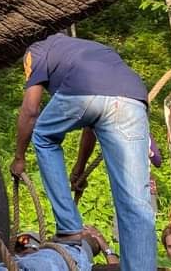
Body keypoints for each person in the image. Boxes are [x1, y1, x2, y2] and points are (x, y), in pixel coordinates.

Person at [10, 34, 156, 271]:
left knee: (44, 136)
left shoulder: (35, 50)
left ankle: (69, 227)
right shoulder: (87, 50)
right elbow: (92, 123)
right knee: (136, 204)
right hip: (133, 98)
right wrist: (79, 169)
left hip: (85, 92)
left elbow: (30, 109)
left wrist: (19, 158)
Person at [0, 225, 119, 270]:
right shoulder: (84, 264)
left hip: (56, 257)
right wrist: (106, 247)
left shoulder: (80, 259)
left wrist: (102, 243)